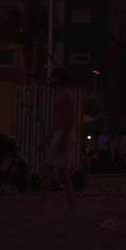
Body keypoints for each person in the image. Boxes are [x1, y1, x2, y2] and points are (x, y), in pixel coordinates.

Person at [39, 69, 77, 210]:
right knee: (63, 173)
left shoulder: (66, 95)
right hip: (62, 135)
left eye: (52, 78)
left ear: (59, 79)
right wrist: (47, 140)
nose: (49, 80)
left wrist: (62, 138)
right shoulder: (60, 95)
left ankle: (41, 205)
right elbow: (57, 122)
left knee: (48, 169)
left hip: (64, 136)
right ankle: (72, 206)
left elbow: (71, 118)